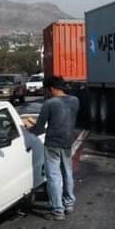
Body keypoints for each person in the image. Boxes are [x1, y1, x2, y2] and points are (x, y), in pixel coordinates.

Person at [30, 76, 80, 221]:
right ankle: (69, 204)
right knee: (67, 173)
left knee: (54, 177)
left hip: (52, 144)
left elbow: (39, 129)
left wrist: (28, 129)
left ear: (51, 89)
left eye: (47, 90)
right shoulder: (75, 100)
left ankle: (58, 210)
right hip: (68, 142)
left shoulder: (49, 103)